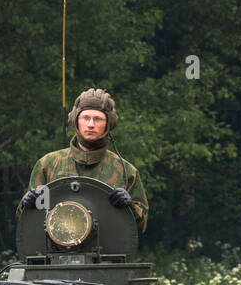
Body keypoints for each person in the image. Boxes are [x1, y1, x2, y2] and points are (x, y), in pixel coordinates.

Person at [22, 87, 147, 232]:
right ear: (76, 121)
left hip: (108, 250)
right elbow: (27, 223)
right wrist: (28, 204)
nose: (91, 124)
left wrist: (129, 206)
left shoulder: (125, 171)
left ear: (108, 124)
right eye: (85, 118)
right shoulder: (48, 165)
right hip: (56, 251)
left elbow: (141, 225)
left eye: (98, 119)